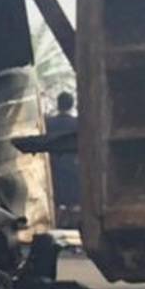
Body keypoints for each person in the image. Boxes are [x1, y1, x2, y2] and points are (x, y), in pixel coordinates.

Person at [45, 91, 79, 229]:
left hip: (54, 165)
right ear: (72, 105)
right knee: (73, 198)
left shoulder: (48, 123)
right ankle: (72, 222)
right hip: (73, 166)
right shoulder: (77, 123)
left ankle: (57, 222)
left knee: (57, 197)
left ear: (58, 105)